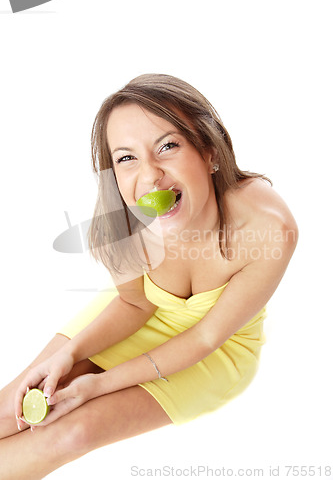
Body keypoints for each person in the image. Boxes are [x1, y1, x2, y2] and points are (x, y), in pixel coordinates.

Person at [0, 74, 298, 479]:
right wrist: (68, 355)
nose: (151, 176)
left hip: (216, 349)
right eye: (126, 158)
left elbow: (205, 338)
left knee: (73, 432)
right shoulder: (121, 223)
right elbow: (134, 302)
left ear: (209, 150)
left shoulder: (267, 228)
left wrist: (100, 386)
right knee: (10, 413)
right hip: (137, 311)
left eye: (168, 146)